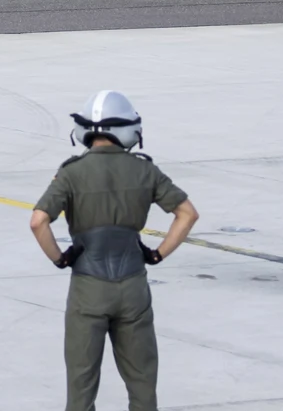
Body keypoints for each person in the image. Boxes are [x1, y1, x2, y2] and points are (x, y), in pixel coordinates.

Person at [30, 90, 199, 411]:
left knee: (81, 389)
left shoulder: (71, 172)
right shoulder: (145, 171)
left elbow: (38, 221)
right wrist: (158, 253)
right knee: (142, 385)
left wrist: (60, 258)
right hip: (133, 285)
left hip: (88, 287)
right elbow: (187, 214)